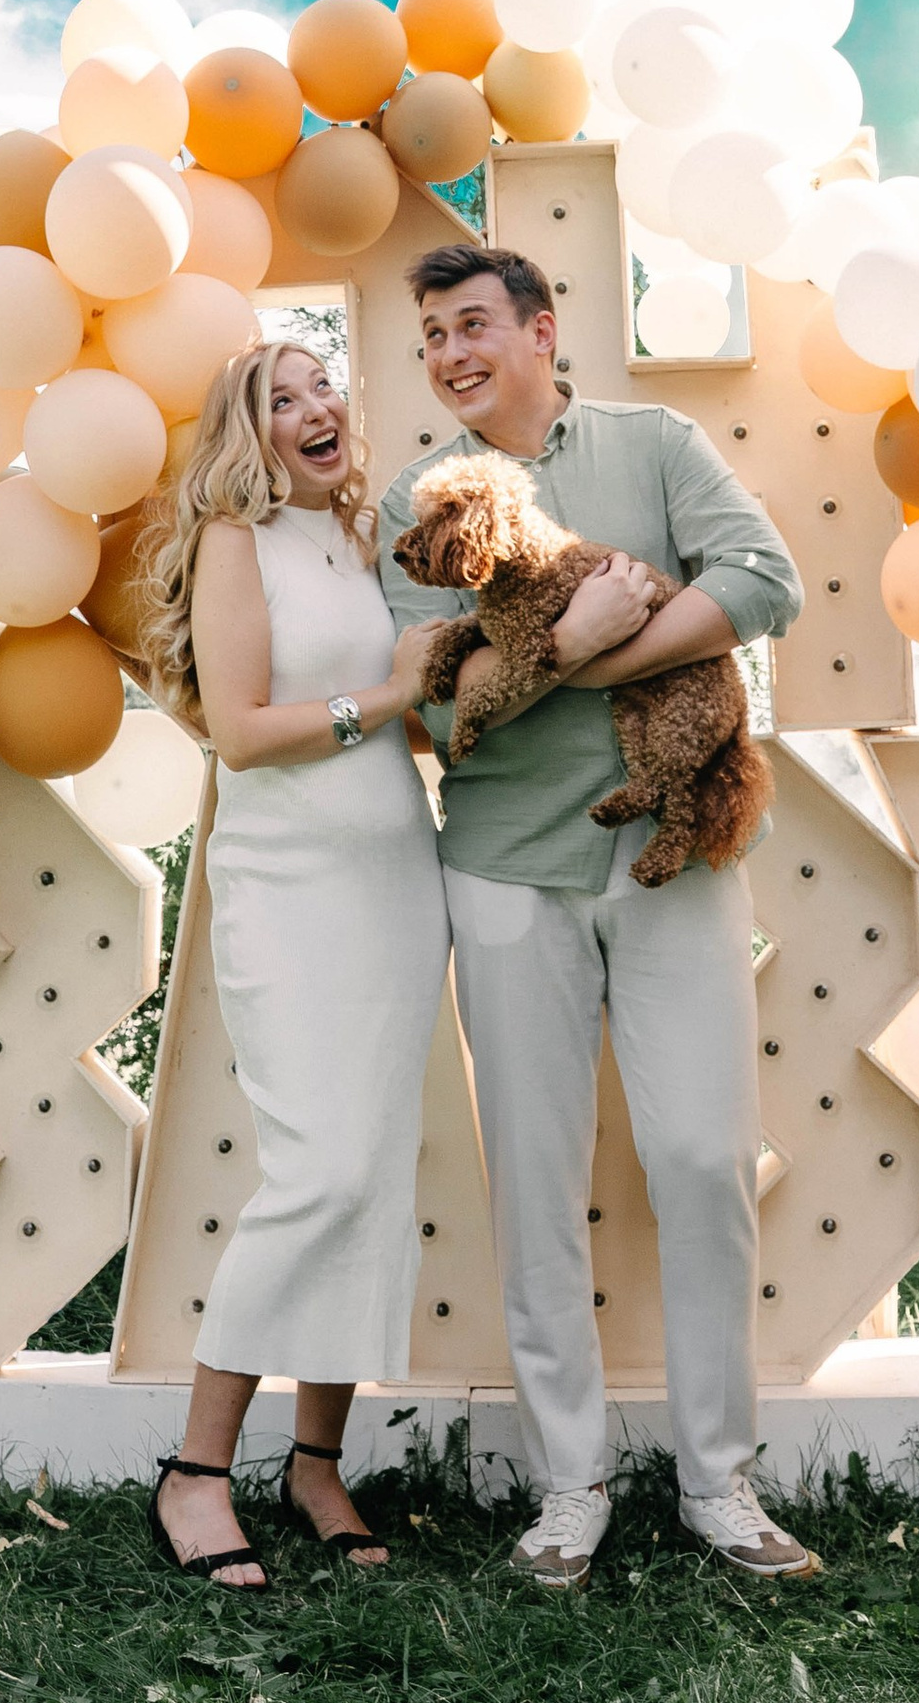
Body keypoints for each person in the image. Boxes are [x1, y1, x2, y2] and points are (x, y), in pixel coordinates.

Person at [377, 240, 817, 1589]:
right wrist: (575, 651)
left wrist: (596, 653)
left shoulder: (658, 442)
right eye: (433, 339)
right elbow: (437, 710)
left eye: (468, 327)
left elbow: (764, 581)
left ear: (540, 328)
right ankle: (570, 1490)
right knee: (537, 1191)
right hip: (504, 870)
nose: (450, 355)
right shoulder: (419, 504)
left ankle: (718, 1485)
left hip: (669, 866)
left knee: (701, 1162)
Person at [140, 339, 447, 1588]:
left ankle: (318, 1461)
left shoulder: (365, 537)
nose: (316, 406)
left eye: (326, 385)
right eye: (283, 396)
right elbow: (242, 733)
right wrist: (389, 696)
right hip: (289, 893)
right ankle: (197, 1470)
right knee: (316, 1174)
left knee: (372, 1175)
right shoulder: (234, 539)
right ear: (247, 429)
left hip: (395, 891)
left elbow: (416, 705)